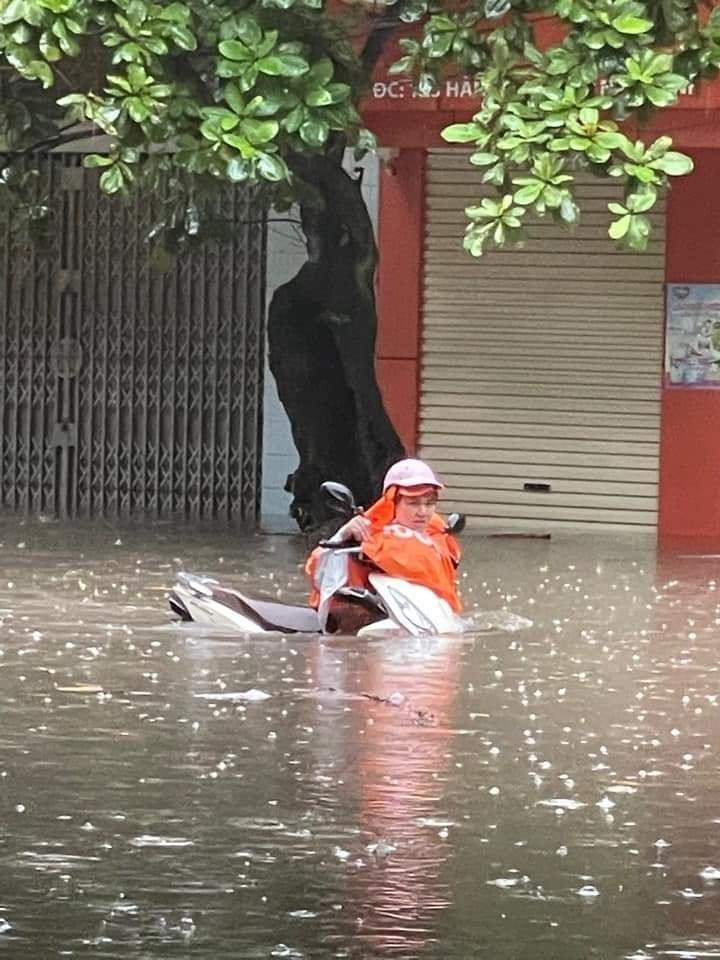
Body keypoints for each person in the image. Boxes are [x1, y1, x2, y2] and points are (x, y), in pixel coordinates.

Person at [306, 458, 462, 633]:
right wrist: (343, 535)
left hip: (425, 617)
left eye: (429, 504)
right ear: (392, 501)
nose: (422, 512)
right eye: (413, 503)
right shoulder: (367, 532)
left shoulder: (439, 536)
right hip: (362, 619)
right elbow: (318, 566)